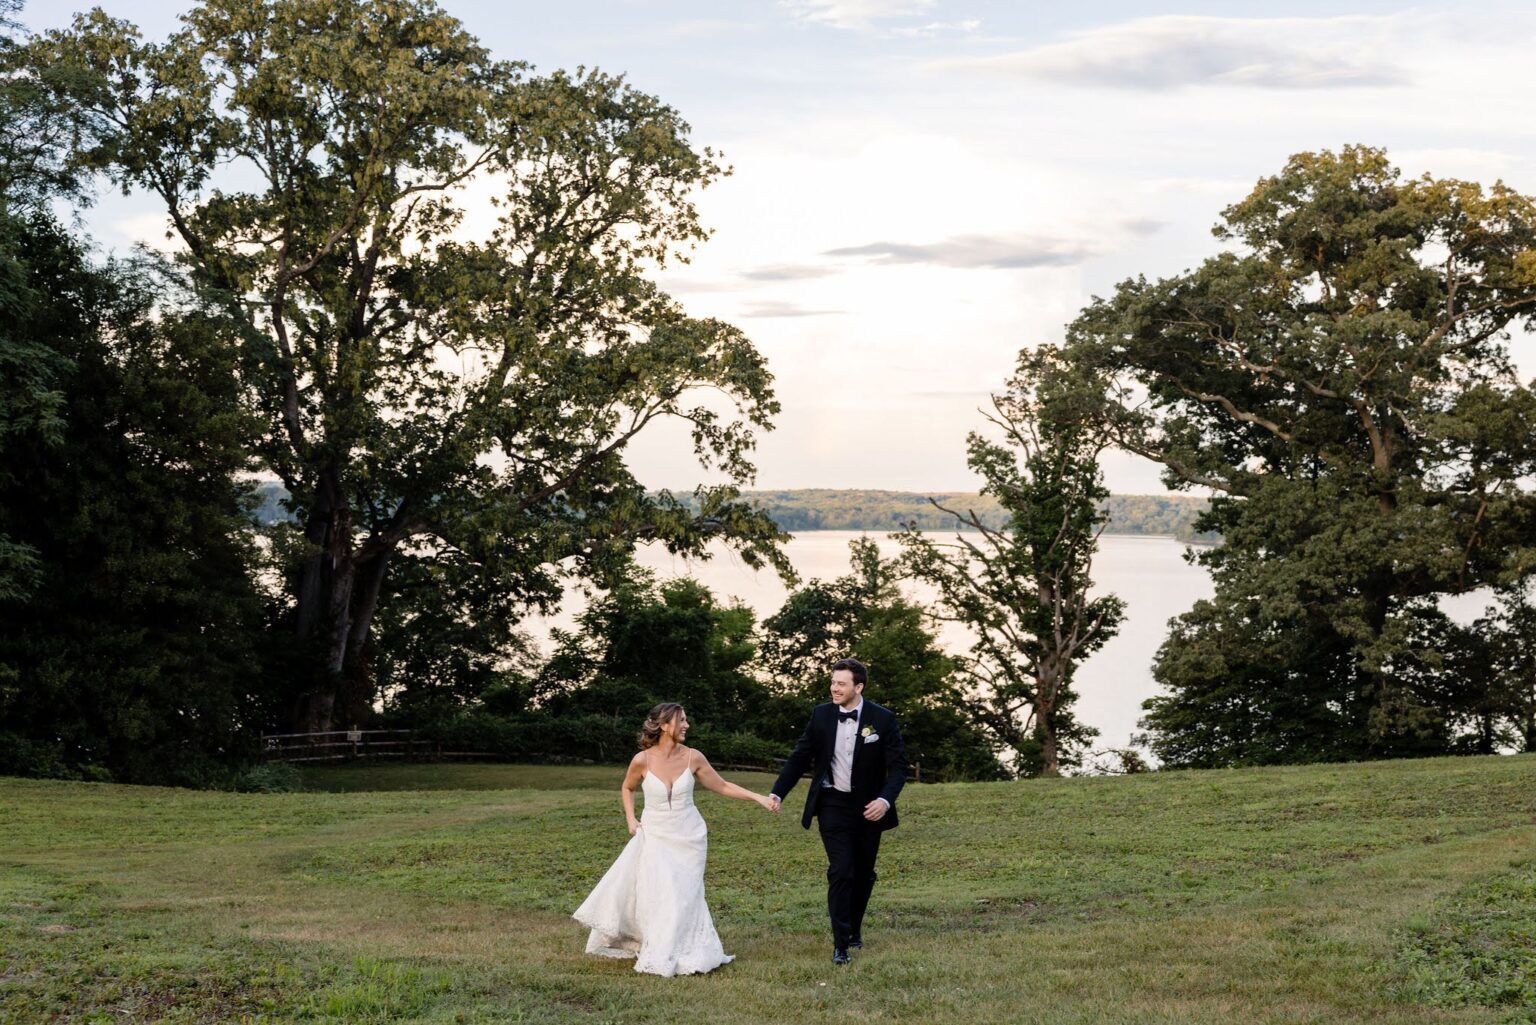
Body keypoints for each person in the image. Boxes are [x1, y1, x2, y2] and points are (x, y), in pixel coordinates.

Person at [573, 702, 777, 976]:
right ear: (664, 724)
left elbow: (722, 785)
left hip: (689, 835)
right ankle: (659, 947)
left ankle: (687, 948)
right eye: (681, 720)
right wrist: (631, 819)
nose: (686, 725)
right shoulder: (641, 760)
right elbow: (627, 787)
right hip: (655, 833)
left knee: (685, 894)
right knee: (663, 892)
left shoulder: (694, 757)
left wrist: (758, 797)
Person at [770, 657, 908, 965]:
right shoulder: (821, 716)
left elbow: (898, 768)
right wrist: (778, 792)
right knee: (841, 871)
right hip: (832, 803)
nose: (834, 688)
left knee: (863, 875)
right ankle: (841, 943)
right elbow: (798, 757)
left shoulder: (882, 719)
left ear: (858, 687)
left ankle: (854, 930)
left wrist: (884, 801)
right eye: (833, 682)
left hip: (869, 808)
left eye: (841, 683)